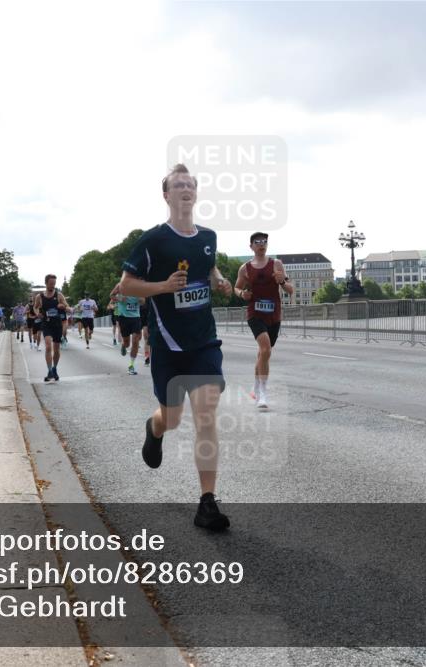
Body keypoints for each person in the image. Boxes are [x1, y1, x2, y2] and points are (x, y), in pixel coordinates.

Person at [119, 163, 233, 531]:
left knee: (205, 414)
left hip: (203, 342)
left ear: (195, 194)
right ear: (166, 195)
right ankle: (154, 430)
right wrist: (163, 288)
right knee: (173, 418)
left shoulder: (209, 237)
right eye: (177, 184)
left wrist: (219, 280)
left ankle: (207, 502)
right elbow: (127, 286)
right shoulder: (153, 240)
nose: (185, 188)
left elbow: (209, 268)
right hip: (167, 345)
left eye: (190, 184)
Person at [235, 231, 293, 409]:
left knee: (263, 353)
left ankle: (255, 386)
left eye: (264, 241)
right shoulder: (245, 268)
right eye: (258, 242)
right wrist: (242, 294)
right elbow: (237, 288)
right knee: (265, 348)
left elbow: (290, 290)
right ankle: (263, 394)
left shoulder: (276, 264)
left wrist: (282, 282)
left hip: (274, 314)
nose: (262, 244)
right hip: (255, 313)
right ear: (251, 246)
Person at [34, 274, 69, 381]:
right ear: (46, 283)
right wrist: (37, 314)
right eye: (51, 284)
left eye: (54, 284)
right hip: (46, 323)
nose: (52, 286)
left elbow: (67, 306)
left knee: (56, 349)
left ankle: (54, 369)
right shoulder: (39, 297)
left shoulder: (59, 295)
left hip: (57, 324)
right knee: (48, 346)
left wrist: (62, 306)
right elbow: (35, 307)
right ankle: (49, 370)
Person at [112, 284, 143, 375]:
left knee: (135, 341)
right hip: (124, 318)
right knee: (127, 343)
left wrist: (139, 299)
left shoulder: (139, 286)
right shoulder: (120, 286)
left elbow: (143, 301)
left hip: (136, 318)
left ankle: (131, 365)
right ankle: (123, 345)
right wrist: (120, 298)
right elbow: (111, 295)